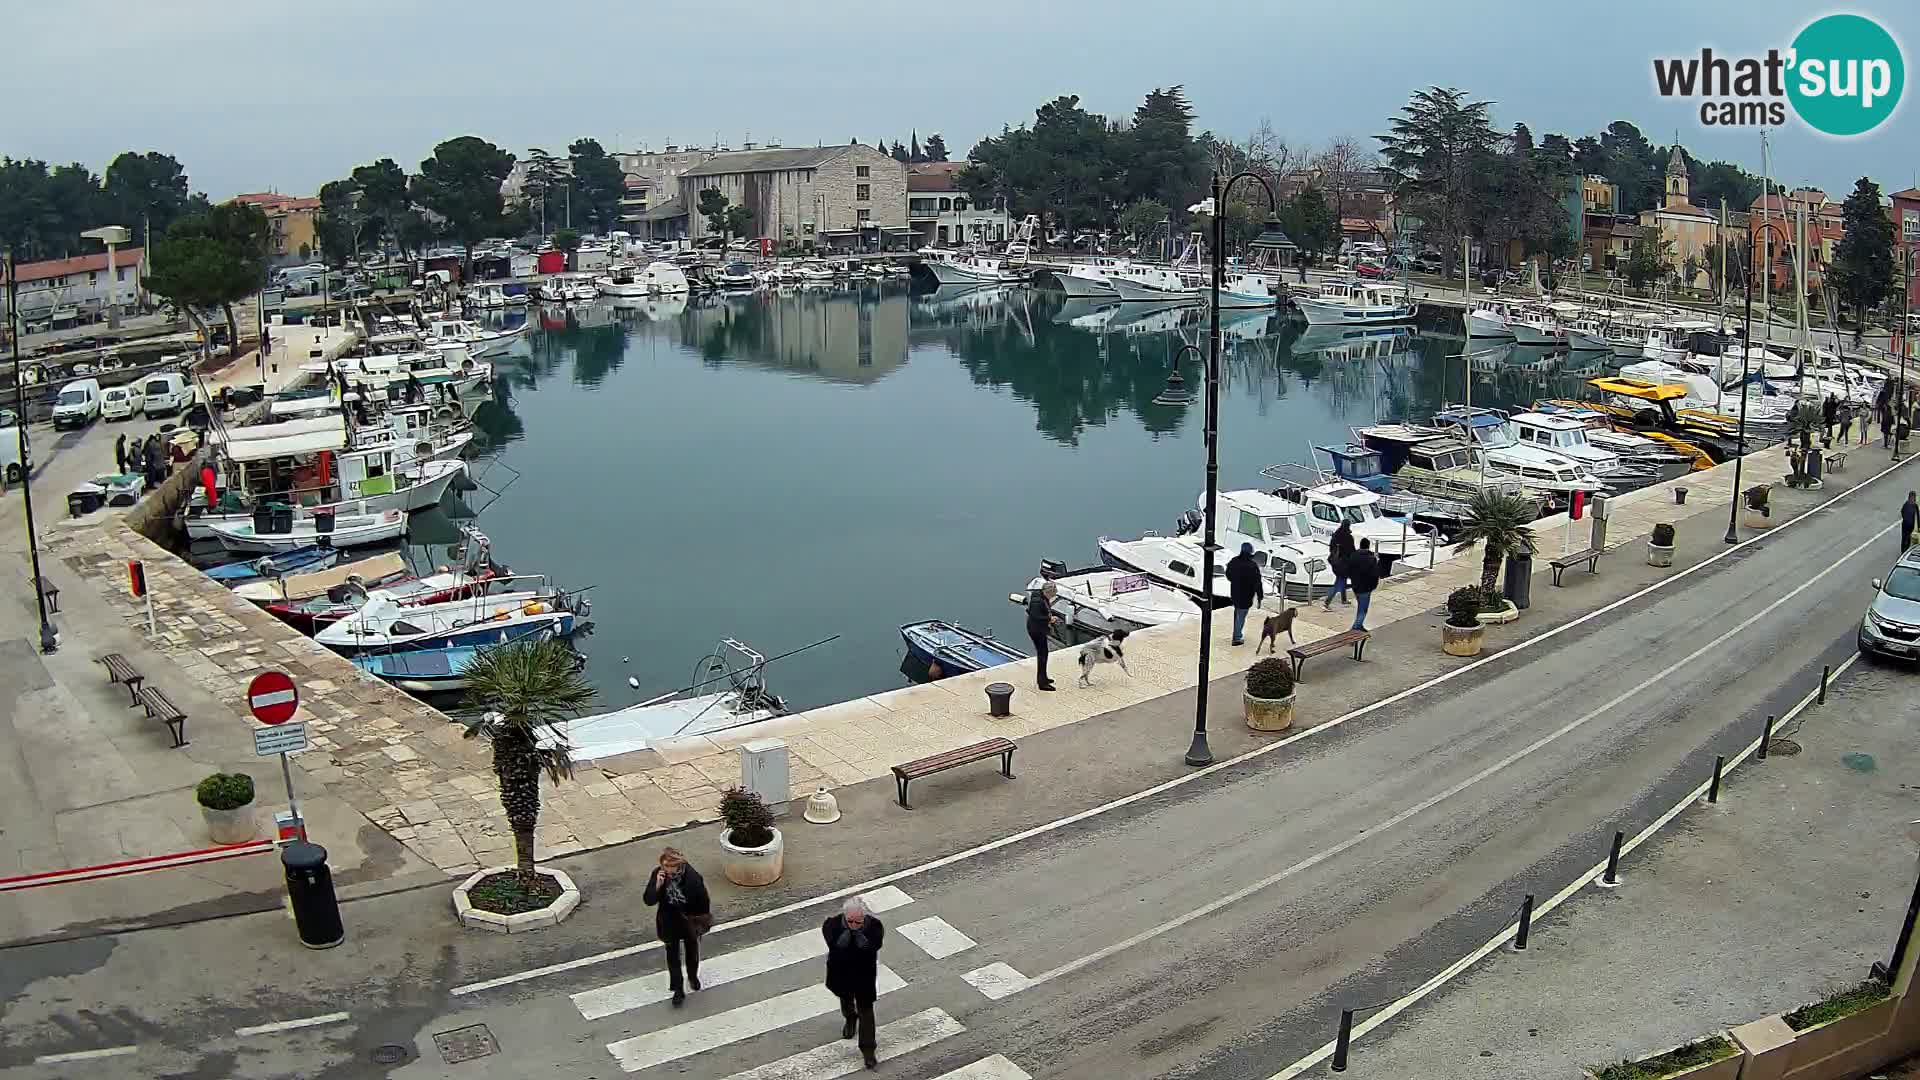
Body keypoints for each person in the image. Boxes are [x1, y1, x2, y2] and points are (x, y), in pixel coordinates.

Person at [642, 847, 711, 1007]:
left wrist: (700, 922)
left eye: (670, 868)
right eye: (664, 867)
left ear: (679, 866)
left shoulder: (693, 879)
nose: (667, 871)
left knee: (692, 951)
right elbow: (648, 900)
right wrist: (658, 886)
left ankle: (693, 977)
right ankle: (678, 989)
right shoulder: (658, 874)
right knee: (672, 956)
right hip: (669, 921)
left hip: (689, 920)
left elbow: (703, 901)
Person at [824, 896, 885, 1069]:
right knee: (846, 1000)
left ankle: (868, 1050)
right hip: (841, 974)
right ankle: (850, 1019)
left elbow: (874, 945)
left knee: (866, 1010)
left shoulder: (874, 927)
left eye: (858, 922)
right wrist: (847, 935)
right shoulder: (832, 925)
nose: (853, 925)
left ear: (864, 918)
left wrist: (860, 936)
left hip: (863, 976)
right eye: (849, 921)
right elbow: (833, 944)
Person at [1225, 541, 1264, 646]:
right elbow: (1257, 582)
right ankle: (1237, 637)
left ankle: (1236, 633)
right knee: (1241, 615)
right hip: (1247, 594)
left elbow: (1228, 574)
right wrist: (1260, 596)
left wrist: (1235, 580)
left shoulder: (1234, 561)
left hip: (1235, 592)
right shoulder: (1252, 565)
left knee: (1237, 612)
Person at [1026, 582, 1058, 691]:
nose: (1053, 596)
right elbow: (1035, 615)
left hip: (1039, 629)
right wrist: (1049, 619)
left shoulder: (1042, 597)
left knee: (1044, 654)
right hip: (1036, 630)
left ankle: (1043, 677)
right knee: (1042, 655)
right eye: (1053, 594)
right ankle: (1042, 683)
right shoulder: (1037, 601)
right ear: (1048, 592)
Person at [1346, 538, 1381, 632]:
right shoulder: (1371, 559)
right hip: (1366, 588)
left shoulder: (1353, 556)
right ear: (1368, 546)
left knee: (1360, 607)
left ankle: (1359, 625)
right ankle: (1354, 631)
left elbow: (1348, 570)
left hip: (1355, 586)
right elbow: (1375, 574)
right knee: (1363, 610)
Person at [1323, 521, 1356, 610]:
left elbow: (1331, 548)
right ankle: (1327, 602)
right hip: (1343, 564)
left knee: (1343, 580)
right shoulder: (1349, 537)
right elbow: (1352, 551)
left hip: (1335, 563)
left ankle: (1344, 599)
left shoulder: (1336, 535)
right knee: (1339, 583)